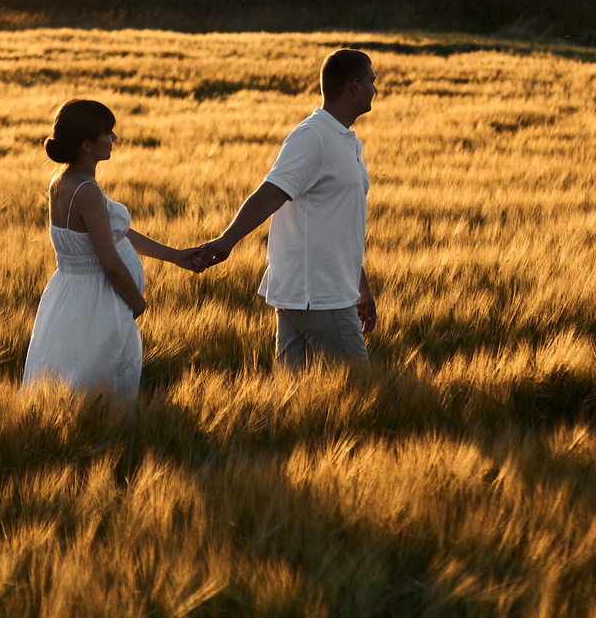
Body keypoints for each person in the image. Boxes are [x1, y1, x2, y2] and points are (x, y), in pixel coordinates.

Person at [21, 98, 215, 403]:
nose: (114, 138)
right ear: (86, 145)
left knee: (65, 381)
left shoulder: (61, 181)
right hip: (97, 303)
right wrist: (137, 303)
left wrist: (174, 255)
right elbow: (110, 263)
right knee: (99, 387)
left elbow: (114, 234)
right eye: (107, 132)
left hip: (68, 297)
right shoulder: (87, 192)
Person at [196, 49, 379, 371]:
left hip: (317, 290)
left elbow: (340, 224)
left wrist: (360, 286)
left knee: (292, 396)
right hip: (319, 295)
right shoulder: (314, 136)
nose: (374, 89)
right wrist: (227, 241)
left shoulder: (346, 140)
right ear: (354, 86)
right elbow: (271, 193)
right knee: (360, 392)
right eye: (371, 82)